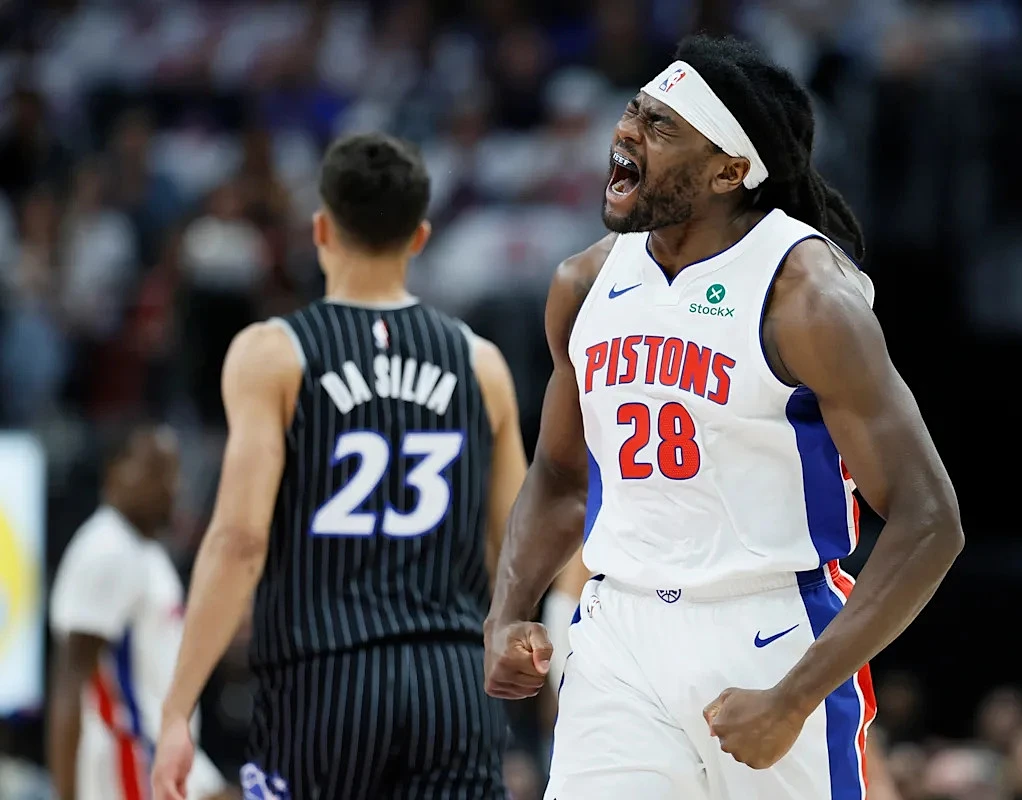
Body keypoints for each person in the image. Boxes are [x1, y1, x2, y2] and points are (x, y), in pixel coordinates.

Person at [484, 34, 964, 799]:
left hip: (770, 635)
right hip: (619, 635)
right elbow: (562, 475)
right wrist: (507, 612)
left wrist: (796, 696)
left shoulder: (806, 297)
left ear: (729, 171)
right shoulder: (584, 283)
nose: (626, 132)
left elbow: (930, 519)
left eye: (660, 125)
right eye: (634, 111)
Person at [151, 133, 525, 800]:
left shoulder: (274, 353)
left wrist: (178, 709)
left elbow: (239, 541)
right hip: (452, 685)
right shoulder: (481, 363)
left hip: (323, 682)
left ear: (320, 228)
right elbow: (520, 545)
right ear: (420, 237)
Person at [47, 425, 234, 800]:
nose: (169, 486)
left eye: (173, 472)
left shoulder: (145, 551)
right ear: (114, 471)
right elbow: (70, 683)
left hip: (163, 750)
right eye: (154, 470)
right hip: (130, 764)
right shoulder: (106, 548)